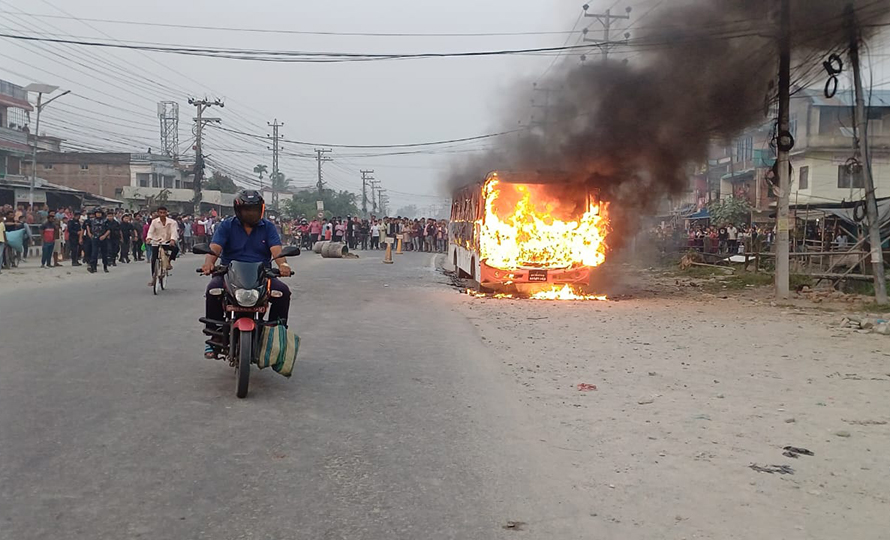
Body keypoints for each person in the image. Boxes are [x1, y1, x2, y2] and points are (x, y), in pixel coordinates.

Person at [200, 190, 294, 359]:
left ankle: (273, 333)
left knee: (283, 292)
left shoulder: (268, 227)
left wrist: (283, 265)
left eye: (255, 210)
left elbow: (277, 251)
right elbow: (215, 247)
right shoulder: (227, 225)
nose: (252, 213)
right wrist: (209, 263)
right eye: (247, 210)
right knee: (213, 289)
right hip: (229, 271)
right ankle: (214, 336)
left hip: (262, 274)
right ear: (238, 210)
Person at [145, 206, 180, 286]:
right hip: (156, 242)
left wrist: (172, 240)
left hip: (167, 241)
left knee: (175, 249)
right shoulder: (154, 222)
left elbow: (174, 232)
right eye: (160, 213)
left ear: (166, 213)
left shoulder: (172, 222)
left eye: (164, 213)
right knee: (154, 259)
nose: (162, 214)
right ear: (158, 213)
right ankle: (154, 278)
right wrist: (148, 238)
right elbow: (150, 231)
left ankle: (169, 261)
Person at [86, 207, 112, 273]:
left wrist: (104, 236)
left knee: (104, 254)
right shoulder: (92, 220)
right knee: (94, 253)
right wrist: (89, 233)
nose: (98, 214)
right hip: (95, 238)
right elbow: (87, 226)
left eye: (100, 213)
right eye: (97, 213)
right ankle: (93, 267)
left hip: (103, 238)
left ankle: (105, 267)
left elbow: (109, 230)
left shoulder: (105, 221)